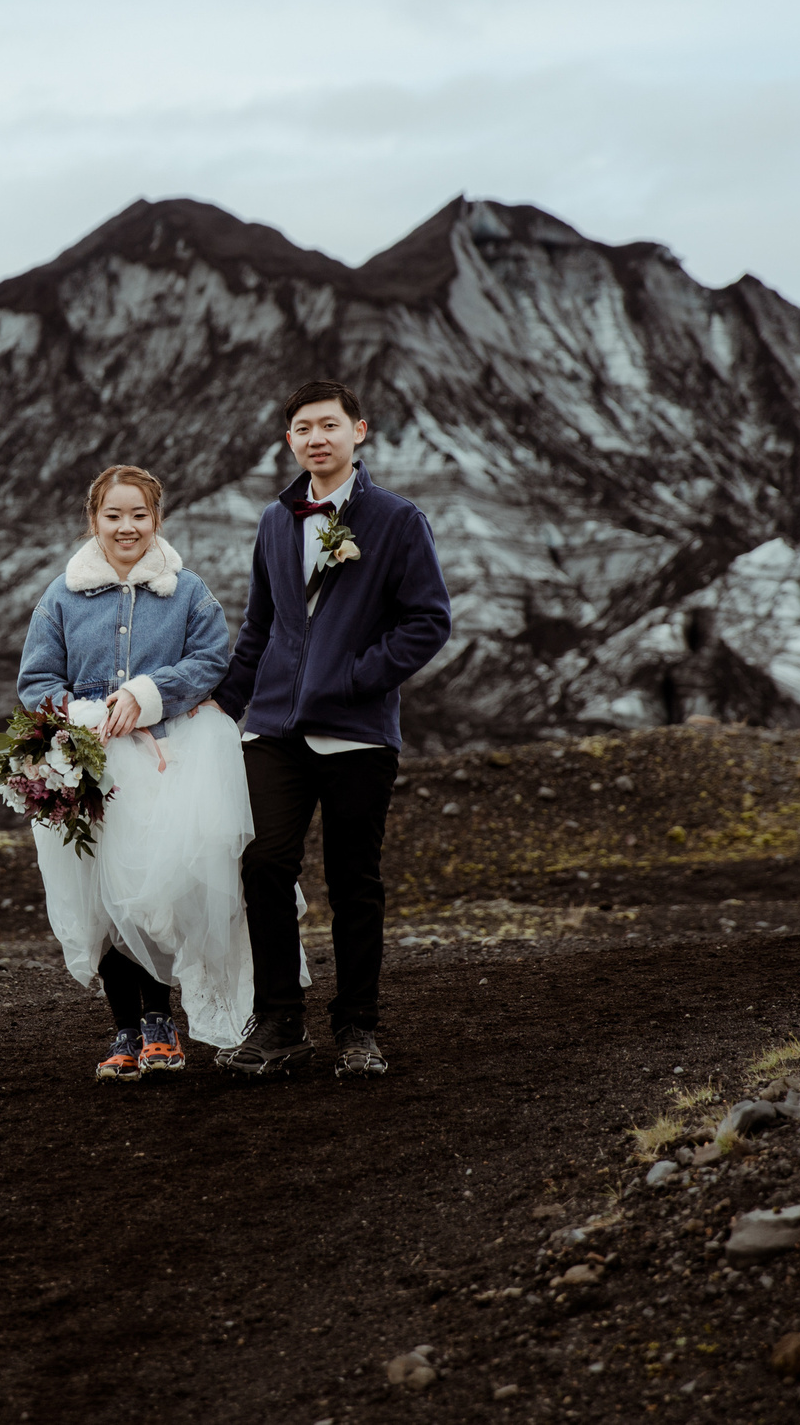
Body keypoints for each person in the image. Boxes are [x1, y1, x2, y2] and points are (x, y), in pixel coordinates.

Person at [213, 381, 452, 1080]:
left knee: (355, 880)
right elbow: (260, 626)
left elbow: (427, 622)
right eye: (302, 428)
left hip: (358, 733)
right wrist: (226, 702)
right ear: (289, 440)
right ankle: (282, 1021)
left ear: (359, 431)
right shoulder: (273, 521)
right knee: (264, 865)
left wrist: (351, 677)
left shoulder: (398, 520)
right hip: (276, 729)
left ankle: (357, 1028)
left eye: (329, 425)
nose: (316, 438)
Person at [16, 464, 254, 1081]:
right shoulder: (61, 596)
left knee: (158, 893)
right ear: (93, 520)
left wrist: (149, 695)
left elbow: (211, 660)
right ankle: (123, 1028)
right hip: (91, 767)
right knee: (100, 896)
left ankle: (161, 1022)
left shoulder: (188, 591)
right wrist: (85, 714)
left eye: (139, 515)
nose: (127, 527)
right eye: (113, 515)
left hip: (169, 758)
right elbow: (36, 682)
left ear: (158, 519)